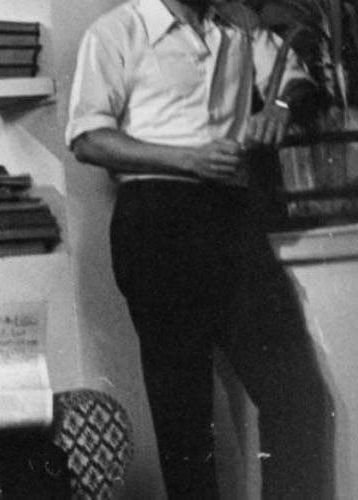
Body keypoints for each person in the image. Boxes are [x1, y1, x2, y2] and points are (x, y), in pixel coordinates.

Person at [67, 1, 332, 498]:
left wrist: (277, 107)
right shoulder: (116, 31)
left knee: (296, 394)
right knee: (183, 416)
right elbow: (87, 140)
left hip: (232, 217)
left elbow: (296, 80)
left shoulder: (238, 25)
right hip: (155, 221)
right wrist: (188, 160)